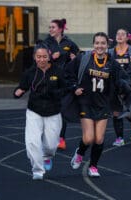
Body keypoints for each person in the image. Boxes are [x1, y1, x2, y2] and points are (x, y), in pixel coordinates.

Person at [67, 32, 130, 177]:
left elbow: (122, 79)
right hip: (86, 102)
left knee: (99, 139)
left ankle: (93, 166)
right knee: (88, 138)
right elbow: (68, 74)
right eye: (97, 43)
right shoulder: (84, 58)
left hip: (103, 104)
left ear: (107, 45)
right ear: (93, 44)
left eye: (103, 43)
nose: (100, 46)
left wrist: (122, 87)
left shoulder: (112, 63)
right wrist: (74, 87)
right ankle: (80, 152)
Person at [14, 41, 67, 180]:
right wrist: (18, 92)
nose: (41, 59)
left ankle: (47, 156)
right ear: (34, 57)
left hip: (53, 112)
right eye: (39, 57)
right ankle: (37, 170)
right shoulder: (29, 73)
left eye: (44, 56)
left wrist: (56, 93)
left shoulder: (58, 71)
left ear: (49, 56)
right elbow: (22, 87)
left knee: (51, 145)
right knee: (32, 142)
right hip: (34, 111)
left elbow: (65, 88)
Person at [44, 18, 80, 150]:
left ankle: (61, 139)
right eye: (50, 27)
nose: (50, 30)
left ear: (60, 29)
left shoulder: (69, 43)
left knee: (62, 111)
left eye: (53, 27)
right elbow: (38, 58)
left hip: (64, 82)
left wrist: (75, 58)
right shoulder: (46, 43)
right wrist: (50, 57)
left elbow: (78, 55)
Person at [108, 28, 131, 147]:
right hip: (115, 84)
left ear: (127, 37)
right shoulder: (110, 51)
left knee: (130, 111)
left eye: (122, 34)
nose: (119, 36)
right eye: (117, 34)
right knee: (116, 111)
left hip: (129, 83)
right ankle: (120, 138)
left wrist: (128, 80)